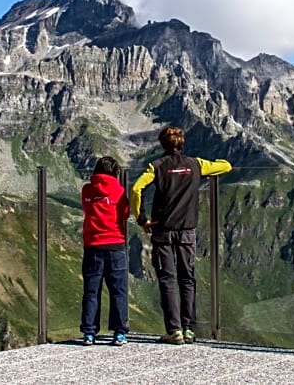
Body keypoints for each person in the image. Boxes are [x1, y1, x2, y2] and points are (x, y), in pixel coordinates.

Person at [130, 126, 232, 345]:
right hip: (187, 230)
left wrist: (141, 218)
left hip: (162, 230)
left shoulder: (155, 166)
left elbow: (136, 189)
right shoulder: (196, 164)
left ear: (162, 144)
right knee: (187, 279)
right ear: (182, 144)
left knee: (167, 279)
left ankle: (173, 330)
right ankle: (189, 329)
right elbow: (226, 166)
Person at [79, 155, 130, 346]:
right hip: (115, 244)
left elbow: (86, 207)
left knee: (91, 291)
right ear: (115, 172)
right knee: (118, 291)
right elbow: (125, 213)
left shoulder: (87, 189)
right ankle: (119, 333)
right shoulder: (119, 190)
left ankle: (89, 333)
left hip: (93, 245)